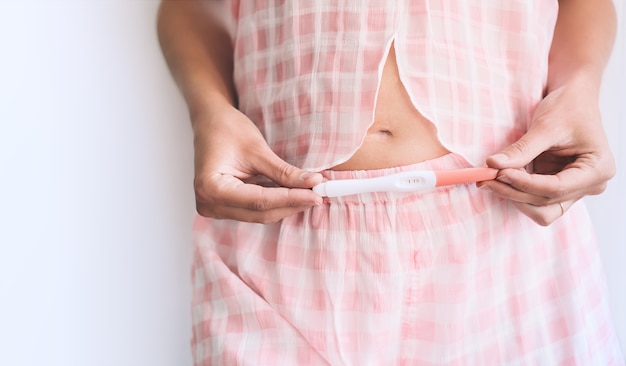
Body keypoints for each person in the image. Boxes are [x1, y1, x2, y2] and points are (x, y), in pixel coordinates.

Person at [157, 0, 624, 364]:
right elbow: (190, 4)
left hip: (508, 238)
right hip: (278, 237)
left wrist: (578, 87)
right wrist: (209, 110)